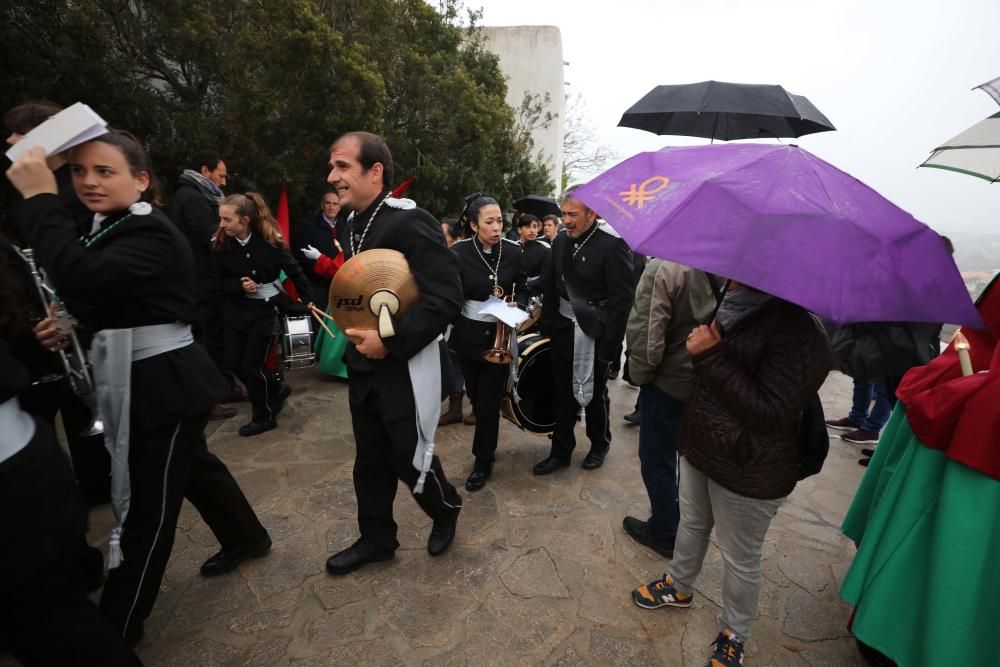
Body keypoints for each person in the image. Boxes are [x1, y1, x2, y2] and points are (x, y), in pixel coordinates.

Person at [6, 130, 271, 645]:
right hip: (149, 380)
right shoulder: (108, 225)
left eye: (105, 172)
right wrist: (69, 324)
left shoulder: (148, 231)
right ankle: (247, 537)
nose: (89, 182)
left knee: (146, 510)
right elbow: (108, 297)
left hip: (165, 386)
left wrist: (39, 198)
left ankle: (120, 622)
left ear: (141, 180)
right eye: (79, 172)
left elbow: (82, 276)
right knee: (195, 468)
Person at [631, 283, 831, 667]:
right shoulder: (731, 299)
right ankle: (679, 585)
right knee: (691, 523)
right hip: (701, 442)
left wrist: (710, 354)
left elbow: (770, 412)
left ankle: (734, 631)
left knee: (741, 556)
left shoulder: (803, 333)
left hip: (750, 463)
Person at [323, 131, 463, 576]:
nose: (333, 176)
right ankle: (377, 539)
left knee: (408, 454)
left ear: (375, 171)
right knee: (369, 459)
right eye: (333, 167)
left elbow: (445, 298)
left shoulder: (409, 221)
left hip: (404, 363)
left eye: (343, 166)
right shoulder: (350, 223)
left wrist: (391, 340)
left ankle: (445, 509)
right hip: (363, 364)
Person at [0, 252, 140, 666]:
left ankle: (80, 561)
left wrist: (42, 335)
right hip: (29, 398)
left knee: (52, 620)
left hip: (22, 451)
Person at [4, 101, 111, 507]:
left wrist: (68, 316)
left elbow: (76, 269)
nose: (10, 150)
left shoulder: (70, 195)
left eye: (17, 140)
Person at [534, 188, 634, 475]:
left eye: (573, 214)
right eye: (564, 213)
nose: (567, 220)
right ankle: (560, 451)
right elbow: (554, 285)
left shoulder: (613, 246)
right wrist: (549, 325)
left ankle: (599, 444)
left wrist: (610, 348)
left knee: (595, 394)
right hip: (564, 330)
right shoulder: (562, 240)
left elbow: (621, 302)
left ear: (593, 214)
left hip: (596, 332)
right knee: (562, 393)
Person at [622, 260, 715, 558]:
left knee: (658, 460)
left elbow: (648, 337)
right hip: (708, 380)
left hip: (669, 383)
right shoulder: (729, 263)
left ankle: (664, 530)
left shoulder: (665, 267)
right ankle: (689, 530)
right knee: (691, 463)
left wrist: (642, 376)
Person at [212, 192, 314, 436]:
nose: (222, 225)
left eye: (227, 220)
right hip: (236, 311)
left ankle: (264, 416)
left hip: (264, 311)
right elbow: (215, 282)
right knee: (234, 363)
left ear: (244, 220)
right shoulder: (220, 243)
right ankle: (275, 389)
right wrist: (237, 286)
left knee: (252, 366)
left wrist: (308, 299)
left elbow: (295, 271)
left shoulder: (270, 241)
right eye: (221, 219)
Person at [450, 195, 526, 491]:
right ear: (472, 225)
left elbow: (524, 285)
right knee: (476, 396)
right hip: (469, 337)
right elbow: (452, 294)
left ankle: (483, 460)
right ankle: (484, 452)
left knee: (488, 403)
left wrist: (517, 303)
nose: (497, 227)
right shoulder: (458, 252)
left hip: (500, 337)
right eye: (489, 222)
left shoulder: (513, 251)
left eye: (500, 221)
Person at [171, 149, 242, 420]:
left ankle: (223, 387)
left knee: (216, 337)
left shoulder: (197, 195)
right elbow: (211, 237)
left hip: (208, 279)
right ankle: (207, 399)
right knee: (207, 339)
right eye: (220, 176)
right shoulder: (191, 198)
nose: (224, 182)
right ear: (205, 171)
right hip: (201, 282)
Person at [294, 190, 346, 311]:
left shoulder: (346, 227)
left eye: (335, 204)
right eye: (328, 203)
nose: (332, 207)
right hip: (317, 286)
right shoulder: (307, 226)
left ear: (340, 207)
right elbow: (301, 256)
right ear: (322, 205)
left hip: (341, 286)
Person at [516, 213, 551, 298]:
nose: (532, 230)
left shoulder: (545, 249)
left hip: (535, 296)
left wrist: (527, 285)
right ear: (520, 230)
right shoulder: (513, 247)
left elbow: (547, 277)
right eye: (528, 227)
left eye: (535, 227)